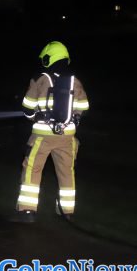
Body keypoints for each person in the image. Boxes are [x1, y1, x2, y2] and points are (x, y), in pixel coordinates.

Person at [13, 41, 89, 222]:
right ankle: (66, 212)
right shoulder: (75, 81)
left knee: (32, 169)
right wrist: (73, 119)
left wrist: (35, 116)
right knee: (66, 172)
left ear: (48, 58)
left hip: (43, 136)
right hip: (67, 137)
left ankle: (27, 211)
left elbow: (27, 107)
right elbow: (84, 106)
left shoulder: (40, 79)